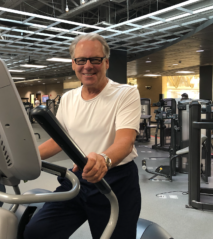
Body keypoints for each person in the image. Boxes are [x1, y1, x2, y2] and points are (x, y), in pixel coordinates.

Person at [24, 33, 141, 239]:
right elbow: (59, 140)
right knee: (38, 232)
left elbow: (125, 141)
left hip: (116, 181)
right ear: (73, 64)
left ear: (106, 63)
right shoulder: (69, 98)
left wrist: (103, 160)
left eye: (95, 59)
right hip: (78, 178)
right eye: (81, 60)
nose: (88, 65)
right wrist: (25, 158)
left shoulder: (126, 93)